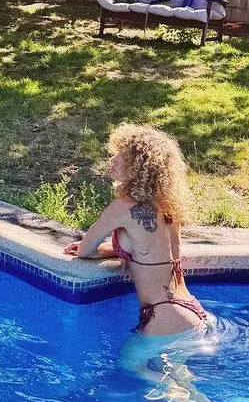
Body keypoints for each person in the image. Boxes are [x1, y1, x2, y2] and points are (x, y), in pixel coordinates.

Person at [64, 123, 210, 337]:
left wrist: (101, 250)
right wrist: (110, 250)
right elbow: (152, 249)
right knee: (172, 371)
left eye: (121, 155)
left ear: (138, 166)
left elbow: (85, 251)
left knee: (130, 368)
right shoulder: (169, 206)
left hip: (163, 315)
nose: (112, 161)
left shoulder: (122, 208)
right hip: (189, 308)